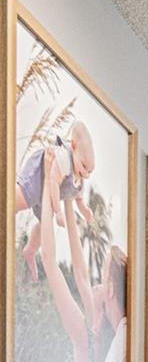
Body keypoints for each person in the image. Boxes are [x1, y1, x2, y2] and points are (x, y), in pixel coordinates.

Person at [36, 151, 124, 362]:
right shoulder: (101, 334)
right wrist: (66, 198)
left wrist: (45, 186)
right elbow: (80, 273)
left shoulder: (84, 336)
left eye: (103, 278)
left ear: (110, 291)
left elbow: (49, 261)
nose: (95, 283)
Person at [14, 120, 95, 280]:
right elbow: (53, 181)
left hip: (47, 196)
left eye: (90, 171)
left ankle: (30, 250)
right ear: (73, 147)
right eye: (84, 166)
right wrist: (58, 211)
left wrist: (85, 211)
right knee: (19, 201)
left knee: (44, 224)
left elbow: (78, 199)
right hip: (38, 179)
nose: (86, 174)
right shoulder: (64, 158)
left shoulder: (80, 176)